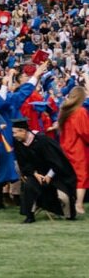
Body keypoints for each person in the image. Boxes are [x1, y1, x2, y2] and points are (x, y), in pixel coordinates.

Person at [12, 117, 77, 223]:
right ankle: (30, 216)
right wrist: (35, 174)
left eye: (15, 133)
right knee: (29, 186)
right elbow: (23, 163)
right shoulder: (18, 143)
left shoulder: (43, 141)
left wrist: (49, 176)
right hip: (36, 174)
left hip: (54, 173)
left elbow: (56, 160)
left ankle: (69, 215)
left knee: (64, 196)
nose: (14, 135)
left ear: (23, 131)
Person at [56, 85, 89, 215]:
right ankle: (79, 204)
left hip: (65, 146)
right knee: (82, 176)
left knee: (68, 175)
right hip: (78, 148)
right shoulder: (80, 112)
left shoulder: (65, 111)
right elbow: (85, 131)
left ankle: (68, 201)